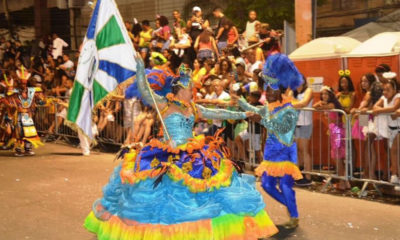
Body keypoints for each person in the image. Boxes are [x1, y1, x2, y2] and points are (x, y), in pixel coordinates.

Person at [84, 59, 278, 239]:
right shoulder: (164, 104)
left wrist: (244, 113)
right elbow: (144, 90)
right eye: (190, 87)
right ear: (180, 89)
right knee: (163, 197)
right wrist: (141, 69)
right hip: (166, 153)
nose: (193, 90)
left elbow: (217, 112)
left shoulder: (193, 107)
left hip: (193, 152)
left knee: (203, 190)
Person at [234, 53, 304, 229]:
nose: (269, 93)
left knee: (286, 186)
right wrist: (240, 101)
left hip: (286, 152)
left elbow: (282, 130)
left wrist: (262, 120)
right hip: (271, 152)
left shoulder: (289, 109)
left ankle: (294, 215)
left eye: (272, 90)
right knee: (266, 185)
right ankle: (291, 207)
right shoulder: (268, 107)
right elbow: (254, 109)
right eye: (267, 90)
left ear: (280, 91)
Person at [313, 86, 349, 190]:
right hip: (333, 132)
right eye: (322, 94)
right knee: (337, 157)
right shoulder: (327, 104)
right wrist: (321, 103)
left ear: (330, 95)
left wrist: (321, 104)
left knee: (337, 157)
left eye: (326, 94)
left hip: (337, 132)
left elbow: (318, 107)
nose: (324, 96)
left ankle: (343, 181)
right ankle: (344, 182)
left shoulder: (332, 104)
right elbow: (316, 106)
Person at [372, 79, 400, 188]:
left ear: (395, 90)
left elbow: (394, 108)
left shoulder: (398, 97)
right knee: (393, 153)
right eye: (384, 90)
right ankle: (395, 175)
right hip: (391, 128)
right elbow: (375, 107)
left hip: (398, 128)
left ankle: (396, 175)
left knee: (395, 151)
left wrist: (380, 111)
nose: (385, 92)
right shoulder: (383, 98)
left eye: (388, 90)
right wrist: (381, 109)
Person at [292, 78, 313, 186]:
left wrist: (290, 105)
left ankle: (308, 176)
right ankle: (299, 175)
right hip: (296, 124)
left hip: (305, 123)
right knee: (298, 151)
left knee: (304, 150)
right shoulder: (293, 92)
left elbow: (304, 103)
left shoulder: (308, 90)